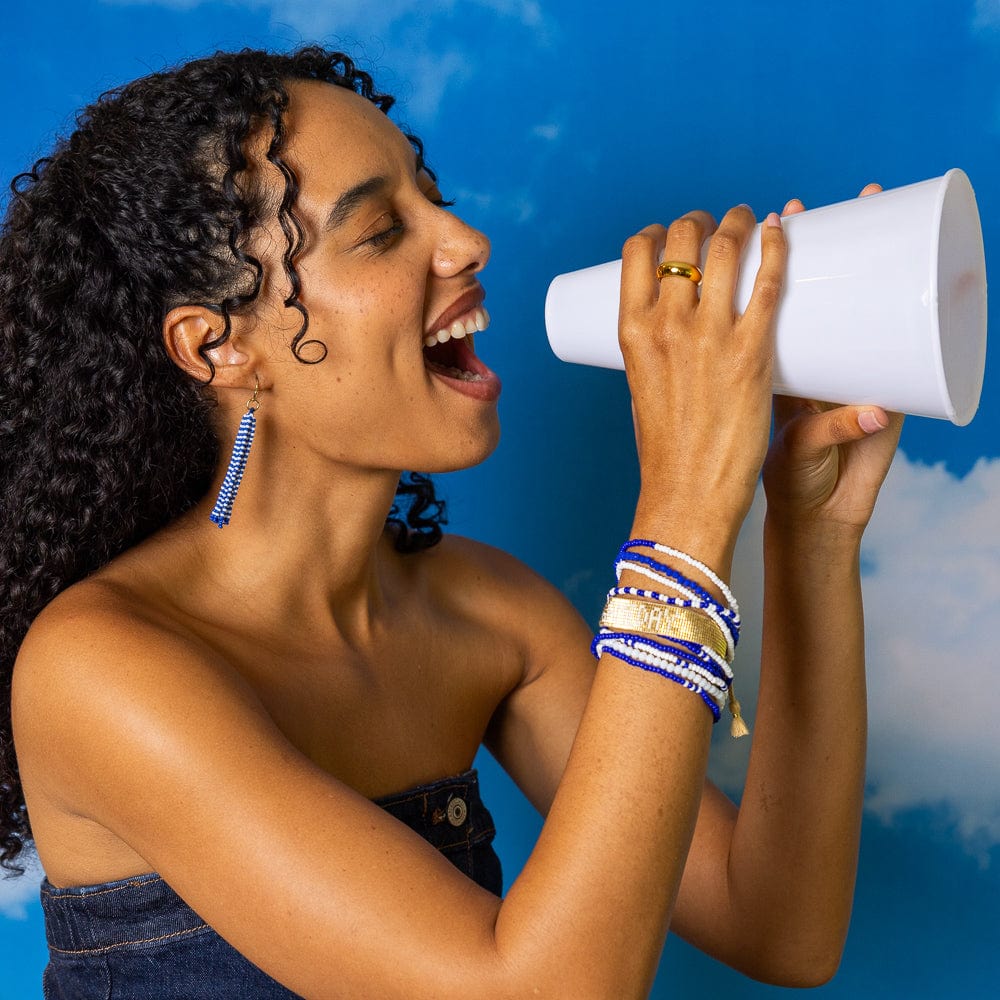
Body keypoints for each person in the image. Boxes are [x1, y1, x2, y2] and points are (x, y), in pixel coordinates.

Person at [0, 46, 902, 999]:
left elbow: (781, 927)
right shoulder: (101, 669)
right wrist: (682, 509)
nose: (466, 239)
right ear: (218, 346)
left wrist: (812, 537)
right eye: (382, 230)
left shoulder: (487, 612)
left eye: (433, 197)